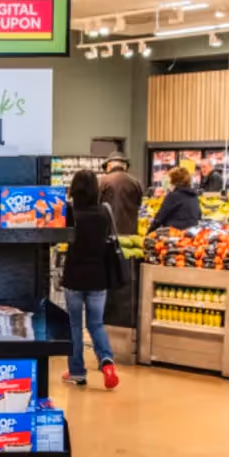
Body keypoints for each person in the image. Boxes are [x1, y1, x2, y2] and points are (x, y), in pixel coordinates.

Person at [61, 171, 118, 389]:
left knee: (75, 325)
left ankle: (77, 372)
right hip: (99, 276)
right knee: (96, 324)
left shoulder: (70, 211)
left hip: (74, 275)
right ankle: (107, 362)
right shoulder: (105, 210)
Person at [98, 153, 143, 237]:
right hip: (130, 231)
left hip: (109, 230)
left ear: (109, 166)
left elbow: (97, 203)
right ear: (125, 167)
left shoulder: (102, 181)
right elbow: (139, 203)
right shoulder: (135, 182)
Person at [150, 166, 202, 231]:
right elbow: (199, 215)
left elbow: (159, 218)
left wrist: (148, 232)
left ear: (174, 181)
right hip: (191, 233)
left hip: (174, 233)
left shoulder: (173, 196)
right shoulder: (194, 196)